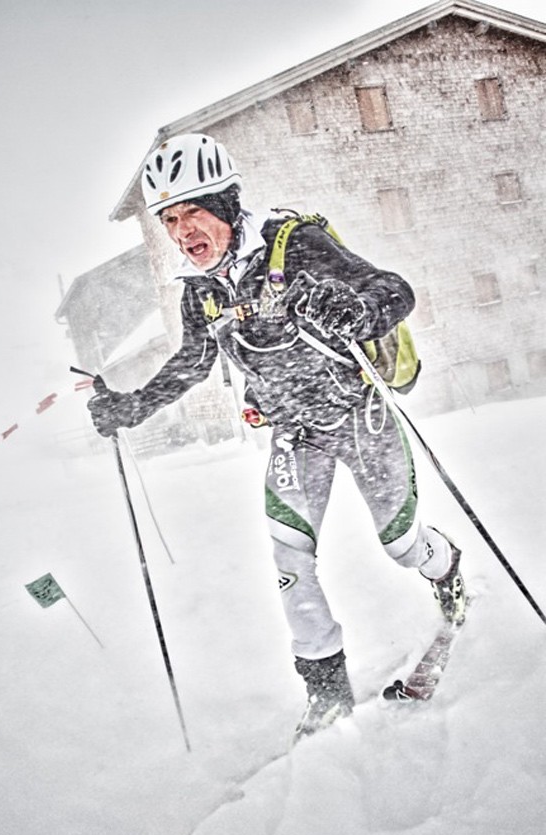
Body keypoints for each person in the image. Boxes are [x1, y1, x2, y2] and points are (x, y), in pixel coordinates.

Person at [88, 132, 466, 741]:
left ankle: (446, 569)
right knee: (290, 559)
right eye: (169, 219)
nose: (183, 230)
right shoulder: (202, 289)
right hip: (295, 432)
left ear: (227, 205)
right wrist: (129, 407)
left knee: (400, 546)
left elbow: (393, 290)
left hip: (357, 416)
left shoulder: (292, 246)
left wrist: (356, 312)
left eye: (193, 212)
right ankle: (327, 693)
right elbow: (192, 361)